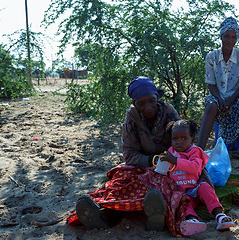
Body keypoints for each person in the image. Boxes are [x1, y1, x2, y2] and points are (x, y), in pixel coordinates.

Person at [68, 76, 213, 237]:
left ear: (157, 98)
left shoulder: (169, 113)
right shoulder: (131, 117)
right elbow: (129, 154)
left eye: (151, 101)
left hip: (171, 168)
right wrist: (152, 160)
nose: (148, 107)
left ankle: (158, 217)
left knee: (174, 189)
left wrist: (172, 161)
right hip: (143, 166)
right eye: (141, 104)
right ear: (134, 104)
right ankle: (102, 214)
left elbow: (185, 144)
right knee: (119, 181)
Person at [197, 16, 239, 160]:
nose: (230, 40)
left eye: (233, 37)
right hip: (217, 94)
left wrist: (230, 101)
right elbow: (211, 83)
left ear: (237, 38)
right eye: (226, 36)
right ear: (221, 37)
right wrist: (221, 100)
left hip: (236, 96)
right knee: (211, 106)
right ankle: (199, 150)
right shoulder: (211, 56)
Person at [160, 119, 234, 236]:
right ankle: (192, 220)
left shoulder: (195, 151)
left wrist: (175, 161)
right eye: (175, 139)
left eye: (184, 138)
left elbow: (194, 167)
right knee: (184, 203)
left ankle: (220, 216)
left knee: (206, 188)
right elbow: (167, 170)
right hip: (182, 192)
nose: (179, 142)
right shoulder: (171, 152)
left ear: (192, 140)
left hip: (196, 187)